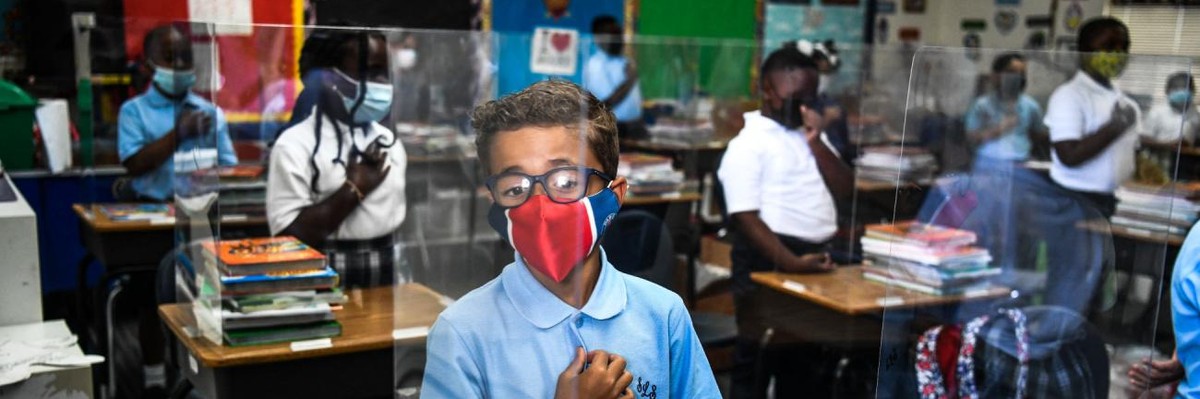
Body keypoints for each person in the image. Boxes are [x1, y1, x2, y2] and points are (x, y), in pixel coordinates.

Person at [421, 80, 719, 398]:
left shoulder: (663, 315)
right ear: (495, 204)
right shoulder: (462, 333)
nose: (540, 206)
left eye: (566, 181)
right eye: (515, 188)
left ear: (614, 195)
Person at [717, 46, 854, 399]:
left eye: (812, 98)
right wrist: (791, 264)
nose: (805, 107)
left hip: (814, 257)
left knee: (803, 361)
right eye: (795, 98)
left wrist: (815, 142)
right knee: (760, 359)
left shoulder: (807, 135)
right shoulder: (748, 145)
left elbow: (845, 188)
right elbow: (745, 218)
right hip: (771, 259)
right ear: (768, 90)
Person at [266, 29, 408, 288]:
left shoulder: (388, 140)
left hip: (386, 266)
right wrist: (353, 189)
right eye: (370, 72)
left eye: (384, 73)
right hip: (324, 268)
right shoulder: (295, 144)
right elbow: (288, 237)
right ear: (329, 78)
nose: (382, 83)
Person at [117, 24, 237, 201]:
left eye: (186, 57)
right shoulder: (133, 111)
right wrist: (179, 133)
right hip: (152, 208)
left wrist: (209, 174)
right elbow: (134, 165)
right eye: (170, 57)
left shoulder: (209, 112)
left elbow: (230, 168)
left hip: (202, 209)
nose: (180, 65)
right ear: (148, 66)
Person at [1043, 17, 1140, 218]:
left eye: (1124, 47)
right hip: (1074, 200)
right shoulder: (1069, 95)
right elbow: (1068, 155)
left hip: (1114, 199)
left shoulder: (1126, 102)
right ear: (1084, 51)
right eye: (1108, 46)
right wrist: (1114, 127)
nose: (1118, 54)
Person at [583, 15, 646, 141]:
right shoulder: (596, 65)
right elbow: (603, 105)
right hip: (614, 131)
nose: (618, 39)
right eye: (612, 35)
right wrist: (630, 80)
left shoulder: (623, 60)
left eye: (619, 34)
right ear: (598, 38)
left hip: (635, 128)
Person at [1143, 72, 1198, 145]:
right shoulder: (1156, 113)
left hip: (1189, 155)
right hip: (1160, 154)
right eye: (1177, 88)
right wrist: (1168, 144)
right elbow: (1144, 139)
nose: (1182, 91)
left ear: (1192, 91)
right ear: (1167, 91)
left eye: (1185, 88)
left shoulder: (1195, 113)